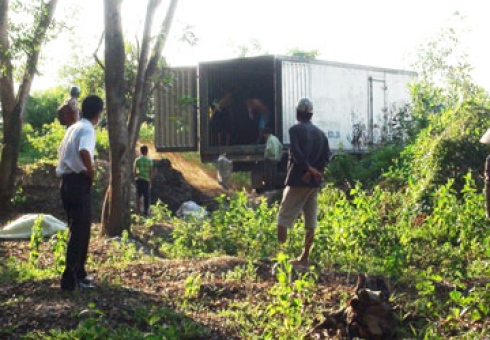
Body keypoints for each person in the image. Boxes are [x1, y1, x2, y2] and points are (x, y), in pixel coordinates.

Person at [56, 95, 104, 291]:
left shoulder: (73, 128)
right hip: (78, 183)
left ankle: (80, 273)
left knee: (78, 229)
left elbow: (61, 152)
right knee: (79, 232)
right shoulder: (87, 129)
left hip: (66, 182)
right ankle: (70, 279)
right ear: (99, 113)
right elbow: (84, 151)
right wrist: (90, 173)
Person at [276, 98, 331, 269]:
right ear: (311, 114)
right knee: (310, 221)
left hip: (297, 181)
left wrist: (308, 169)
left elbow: (296, 154)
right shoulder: (321, 134)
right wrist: (314, 172)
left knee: (283, 218)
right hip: (313, 184)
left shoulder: (294, 130)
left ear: (298, 113)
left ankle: (280, 254)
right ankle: (304, 257)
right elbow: (326, 157)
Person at [133, 145, 154, 216]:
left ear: (140, 151)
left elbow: (134, 170)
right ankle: (145, 212)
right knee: (146, 196)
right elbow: (150, 172)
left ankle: (138, 211)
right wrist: (150, 181)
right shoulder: (149, 161)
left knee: (138, 195)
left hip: (139, 179)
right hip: (146, 180)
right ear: (146, 151)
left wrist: (136, 177)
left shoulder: (137, 160)